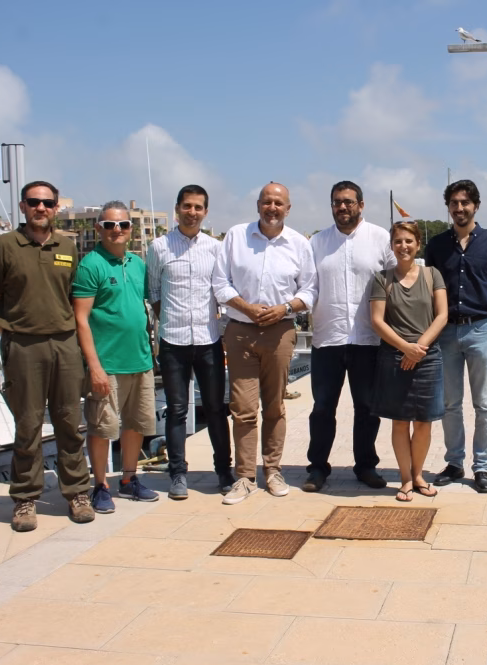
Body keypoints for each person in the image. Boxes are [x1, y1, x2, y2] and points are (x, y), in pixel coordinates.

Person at [0, 180, 94, 532]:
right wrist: (13, 331)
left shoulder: (66, 246)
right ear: (23, 207)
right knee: (28, 426)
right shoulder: (4, 246)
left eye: (47, 203)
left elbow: (73, 296)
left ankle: (77, 493)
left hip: (64, 344)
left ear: (56, 207)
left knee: (68, 423)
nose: (41, 208)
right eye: (34, 202)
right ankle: (25, 500)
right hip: (24, 346)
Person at [212, 183, 316, 504]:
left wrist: (284, 308)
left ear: (288, 208)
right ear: (258, 205)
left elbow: (310, 291)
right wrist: (246, 308)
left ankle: (272, 469)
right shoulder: (235, 237)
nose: (272, 208)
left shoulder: (299, 244)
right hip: (241, 331)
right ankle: (244, 477)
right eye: (267, 202)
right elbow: (220, 282)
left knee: (274, 406)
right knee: (243, 409)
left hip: (280, 331)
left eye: (279, 203)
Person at [303, 181, 395, 493]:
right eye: (337, 202)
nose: (343, 207)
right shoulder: (317, 242)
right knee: (322, 408)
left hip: (368, 339)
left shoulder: (380, 238)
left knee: (368, 408)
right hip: (328, 339)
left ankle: (366, 465)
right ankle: (317, 467)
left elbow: (396, 281)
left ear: (361, 204)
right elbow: (308, 286)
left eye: (349, 202)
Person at [425, 180, 487, 493]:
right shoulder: (436, 246)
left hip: (481, 331)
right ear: (448, 207)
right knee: (450, 403)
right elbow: (429, 290)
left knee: (485, 403)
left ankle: (483, 467)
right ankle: (454, 462)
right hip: (446, 332)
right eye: (454, 203)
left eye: (465, 203)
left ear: (475, 205)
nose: (459, 209)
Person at [72, 201, 159, 513]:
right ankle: (99, 485)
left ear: (130, 230)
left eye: (122, 225)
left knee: (135, 424)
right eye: (109, 225)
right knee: (102, 427)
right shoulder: (91, 265)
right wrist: (94, 366)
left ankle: (129, 479)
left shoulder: (137, 264)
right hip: (107, 364)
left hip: (140, 360)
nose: (116, 230)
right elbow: (81, 319)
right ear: (99, 229)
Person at [147, 185, 232, 500]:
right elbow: (153, 291)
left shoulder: (216, 248)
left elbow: (222, 291)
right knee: (177, 410)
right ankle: (178, 474)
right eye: (187, 206)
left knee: (215, 409)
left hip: (209, 340)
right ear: (177, 209)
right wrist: (168, 319)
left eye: (198, 207)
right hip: (174, 341)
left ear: (205, 212)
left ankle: (224, 471)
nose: (192, 212)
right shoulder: (159, 247)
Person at [370, 222, 448, 501]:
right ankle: (404, 479)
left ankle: (419, 476)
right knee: (401, 421)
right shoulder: (382, 278)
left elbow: (442, 315)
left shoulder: (432, 275)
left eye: (409, 241)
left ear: (418, 244)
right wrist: (405, 348)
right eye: (398, 241)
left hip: (428, 358)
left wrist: (419, 348)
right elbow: (377, 320)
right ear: (391, 246)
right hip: (394, 357)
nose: (404, 246)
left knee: (425, 421)